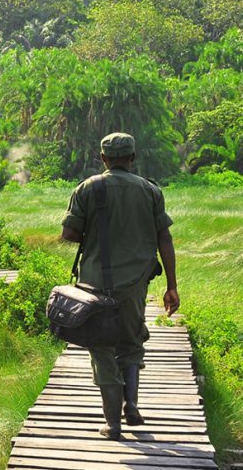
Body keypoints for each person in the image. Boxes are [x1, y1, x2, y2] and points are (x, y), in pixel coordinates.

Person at [59, 132, 180, 440]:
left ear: (103, 159)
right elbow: (164, 238)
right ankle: (133, 406)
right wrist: (171, 285)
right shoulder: (151, 191)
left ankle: (112, 424)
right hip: (136, 284)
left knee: (101, 347)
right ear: (132, 158)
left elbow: (69, 234)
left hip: (96, 284)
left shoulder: (88, 188)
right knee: (132, 341)